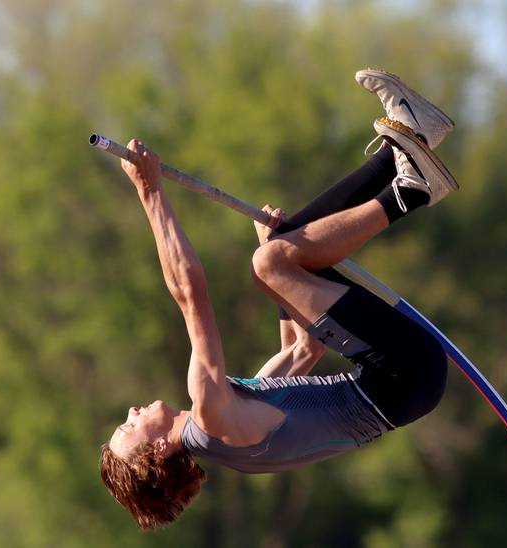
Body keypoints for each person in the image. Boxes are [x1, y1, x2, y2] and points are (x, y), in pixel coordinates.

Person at [99, 69, 458, 530]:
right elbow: (190, 292)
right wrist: (150, 193)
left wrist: (279, 271)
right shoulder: (211, 414)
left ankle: (407, 143)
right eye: (129, 429)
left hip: (410, 383)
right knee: (270, 264)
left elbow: (303, 350)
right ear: (157, 452)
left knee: (277, 254)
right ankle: (411, 191)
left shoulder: (233, 422)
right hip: (402, 375)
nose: (130, 414)